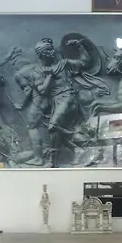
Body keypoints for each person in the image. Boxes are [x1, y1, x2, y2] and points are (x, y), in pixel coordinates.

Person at [14, 38, 108, 167]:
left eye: (52, 49)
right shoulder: (37, 72)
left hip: (67, 98)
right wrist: (49, 76)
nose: (52, 52)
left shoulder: (63, 64)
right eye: (48, 50)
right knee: (64, 134)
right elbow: (43, 90)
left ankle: (52, 162)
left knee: (53, 127)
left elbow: (85, 62)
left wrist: (79, 47)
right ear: (41, 54)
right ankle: (92, 150)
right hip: (55, 102)